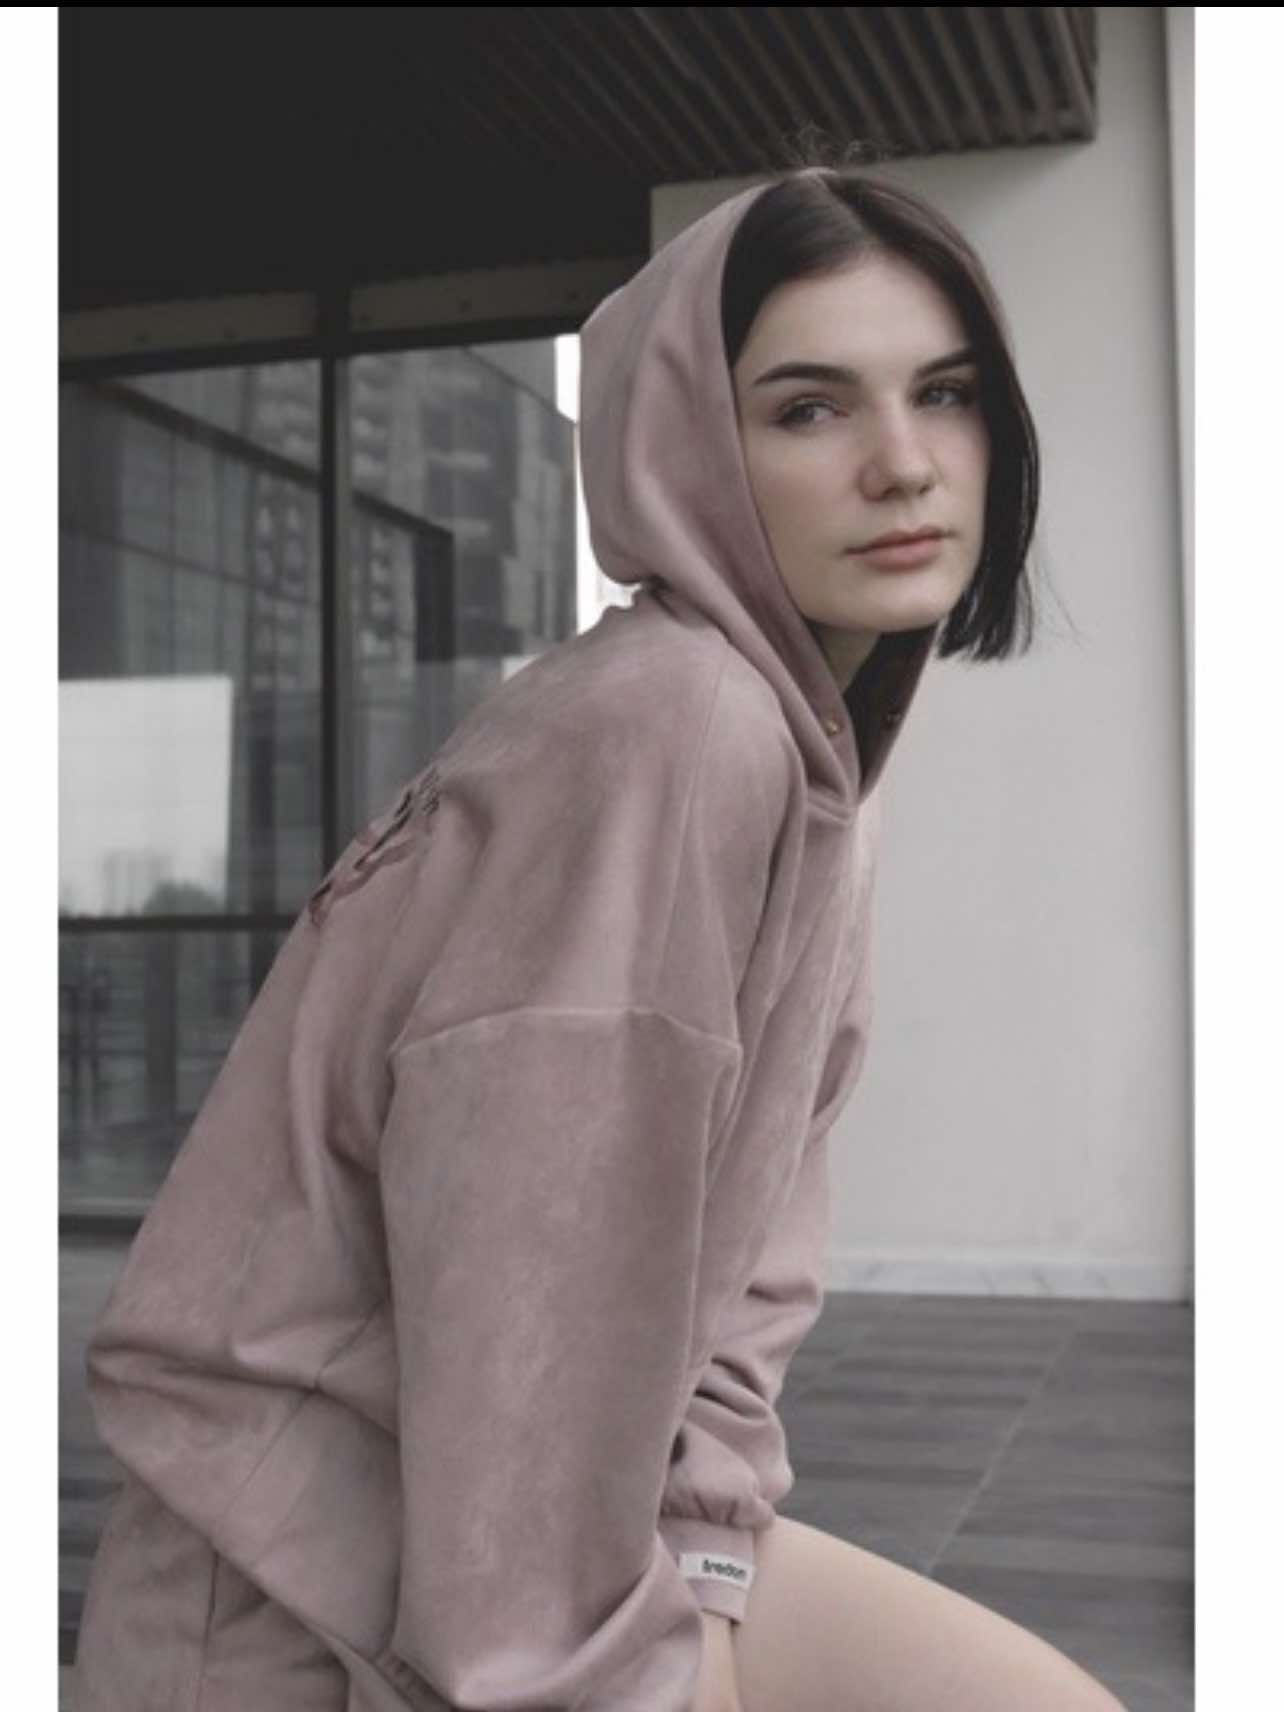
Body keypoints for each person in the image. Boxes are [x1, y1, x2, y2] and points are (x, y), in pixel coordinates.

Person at [70, 165, 1124, 1711]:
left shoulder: (813, 755)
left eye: (946, 394)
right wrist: (624, 1675)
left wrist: (707, 1551)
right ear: (688, 442)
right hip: (303, 1594)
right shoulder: (673, 726)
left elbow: (755, 1250)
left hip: (555, 1531)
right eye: (810, 409)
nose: (904, 464)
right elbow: (526, 1325)